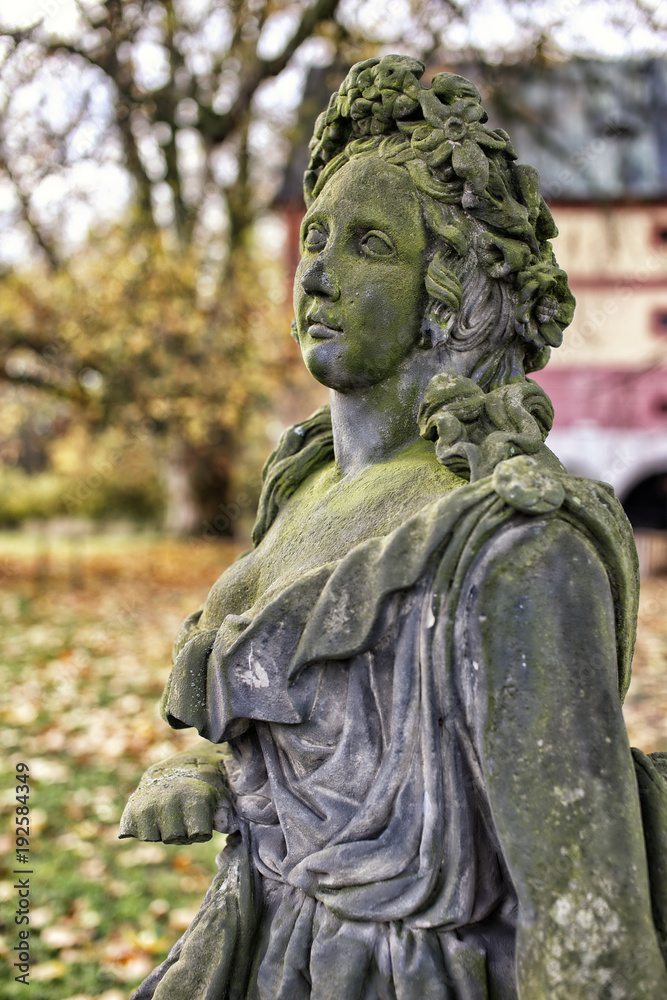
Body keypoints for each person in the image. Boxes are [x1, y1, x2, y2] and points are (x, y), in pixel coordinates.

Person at [119, 56, 667, 999]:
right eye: (316, 237)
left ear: (449, 291)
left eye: (369, 242)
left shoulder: (511, 545)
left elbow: (588, 935)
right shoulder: (302, 487)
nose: (319, 269)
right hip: (249, 955)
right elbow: (321, 743)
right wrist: (220, 782)